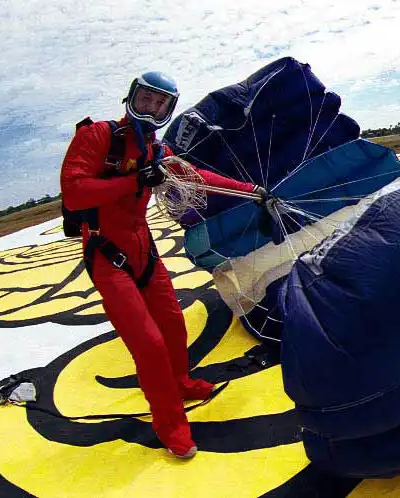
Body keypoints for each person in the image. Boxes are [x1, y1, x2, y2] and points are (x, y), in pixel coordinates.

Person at [60, 71, 266, 459]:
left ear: (168, 109)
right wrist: (135, 180)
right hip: (107, 254)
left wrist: (250, 192)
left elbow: (197, 177)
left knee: (173, 324)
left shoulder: (157, 151)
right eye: (146, 99)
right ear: (132, 97)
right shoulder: (98, 135)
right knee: (148, 343)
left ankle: (181, 382)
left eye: (161, 103)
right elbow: (74, 193)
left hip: (144, 251)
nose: (152, 108)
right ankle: (170, 424)